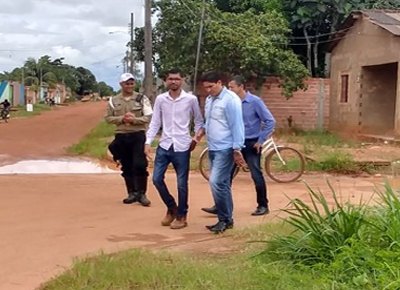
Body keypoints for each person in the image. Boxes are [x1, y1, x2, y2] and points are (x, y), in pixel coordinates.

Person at [201, 75, 276, 216]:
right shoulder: (227, 101)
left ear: (241, 87)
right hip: (232, 143)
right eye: (228, 87)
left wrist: (260, 140)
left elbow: (270, 121)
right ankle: (220, 205)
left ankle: (263, 205)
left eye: (232, 87)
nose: (229, 89)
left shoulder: (255, 102)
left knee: (255, 174)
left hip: (250, 143)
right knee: (225, 176)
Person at [145, 68, 204, 229]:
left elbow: (199, 121)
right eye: (170, 79)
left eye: (177, 79)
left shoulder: (190, 99)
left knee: (182, 183)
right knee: (157, 179)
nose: (173, 81)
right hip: (164, 145)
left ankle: (182, 215)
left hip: (182, 146)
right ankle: (171, 207)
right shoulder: (161, 99)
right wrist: (148, 142)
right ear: (166, 81)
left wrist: (196, 138)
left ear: (182, 80)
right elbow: (155, 122)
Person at [196, 71, 245, 234]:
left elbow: (237, 125)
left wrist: (237, 149)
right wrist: (201, 131)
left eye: (211, 86)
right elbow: (210, 121)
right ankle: (227, 219)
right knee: (222, 184)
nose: (208, 90)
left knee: (215, 182)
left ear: (219, 82)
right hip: (213, 147)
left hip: (226, 148)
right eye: (205, 88)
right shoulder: (210, 100)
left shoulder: (231, 100)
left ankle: (224, 218)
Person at [105, 73, 153, 206]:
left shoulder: (141, 99)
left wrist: (134, 120)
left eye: (132, 83)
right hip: (121, 135)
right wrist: (122, 119)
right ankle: (131, 193)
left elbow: (148, 116)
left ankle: (142, 193)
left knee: (140, 164)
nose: (129, 86)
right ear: (121, 84)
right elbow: (108, 118)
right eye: (127, 83)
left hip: (138, 135)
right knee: (126, 165)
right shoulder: (113, 100)